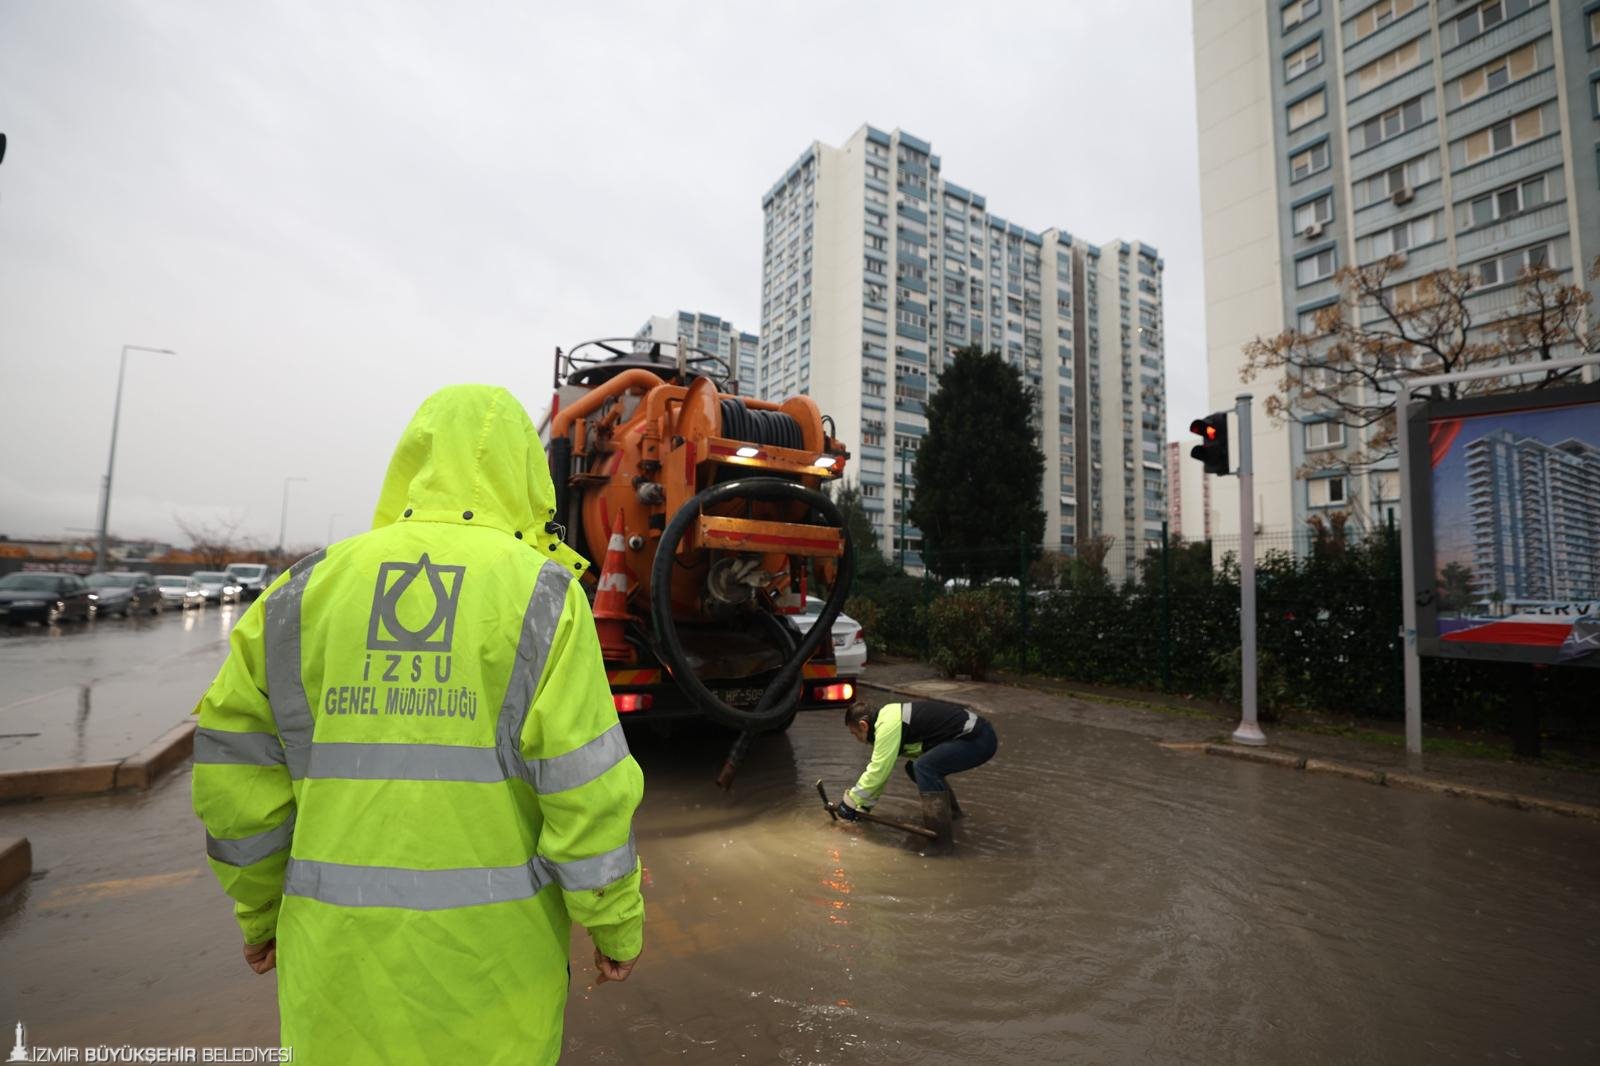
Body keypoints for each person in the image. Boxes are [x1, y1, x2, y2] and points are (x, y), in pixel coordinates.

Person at [192, 385, 644, 1065]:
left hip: (335, 977)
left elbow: (235, 784)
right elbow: (586, 792)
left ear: (412, 461)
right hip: (495, 982)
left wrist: (260, 913)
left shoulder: (302, 592)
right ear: (528, 474)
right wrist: (614, 925)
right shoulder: (545, 596)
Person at [839, 699, 998, 846]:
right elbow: (881, 774)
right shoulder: (888, 717)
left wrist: (850, 802)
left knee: (923, 767)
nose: (857, 740)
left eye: (855, 734)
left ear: (863, 725)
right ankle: (952, 816)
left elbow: (879, 770)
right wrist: (863, 807)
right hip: (977, 736)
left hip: (978, 738)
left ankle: (940, 838)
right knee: (915, 767)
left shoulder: (886, 726)